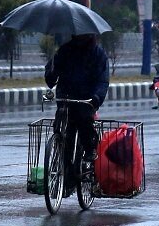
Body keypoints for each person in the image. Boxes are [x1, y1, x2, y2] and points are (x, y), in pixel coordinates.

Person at [44, 33, 110, 161]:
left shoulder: (98, 54)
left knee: (84, 120)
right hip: (65, 95)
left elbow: (102, 81)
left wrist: (97, 97)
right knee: (61, 122)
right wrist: (51, 72)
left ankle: (90, 149)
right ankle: (59, 144)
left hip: (86, 99)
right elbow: (52, 76)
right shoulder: (65, 50)